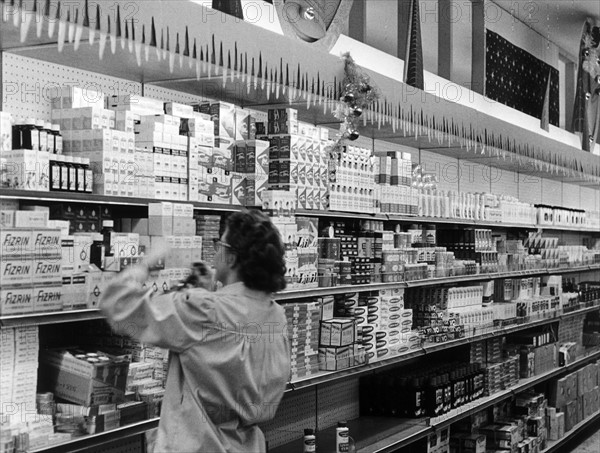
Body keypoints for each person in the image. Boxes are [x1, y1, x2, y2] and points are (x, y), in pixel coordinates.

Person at [100, 209, 291, 452]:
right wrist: (211, 293)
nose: (215, 250)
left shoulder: (203, 311)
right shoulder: (276, 316)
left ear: (231, 258)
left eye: (218, 243)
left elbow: (117, 303)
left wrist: (146, 262)